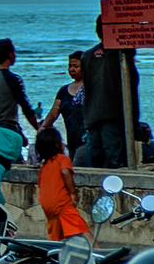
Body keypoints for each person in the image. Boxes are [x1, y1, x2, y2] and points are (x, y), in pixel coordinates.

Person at [81, 18, 139, 169]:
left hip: (92, 116)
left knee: (95, 164)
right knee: (116, 164)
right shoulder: (120, 55)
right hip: (113, 116)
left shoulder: (87, 56)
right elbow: (131, 86)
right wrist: (134, 119)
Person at [0, 38, 40, 139]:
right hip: (7, 129)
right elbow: (25, 107)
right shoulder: (13, 79)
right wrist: (38, 128)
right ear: (10, 55)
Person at [36, 126, 89, 240]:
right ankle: (98, 253)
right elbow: (65, 172)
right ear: (57, 145)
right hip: (62, 205)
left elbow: (41, 185)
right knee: (82, 230)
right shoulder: (62, 159)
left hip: (48, 209)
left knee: (55, 239)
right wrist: (73, 193)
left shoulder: (44, 167)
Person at [45, 52, 85, 160]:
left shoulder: (90, 88)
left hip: (87, 141)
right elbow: (54, 112)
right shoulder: (64, 90)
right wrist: (43, 127)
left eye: (76, 66)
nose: (71, 69)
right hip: (71, 142)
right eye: (70, 66)